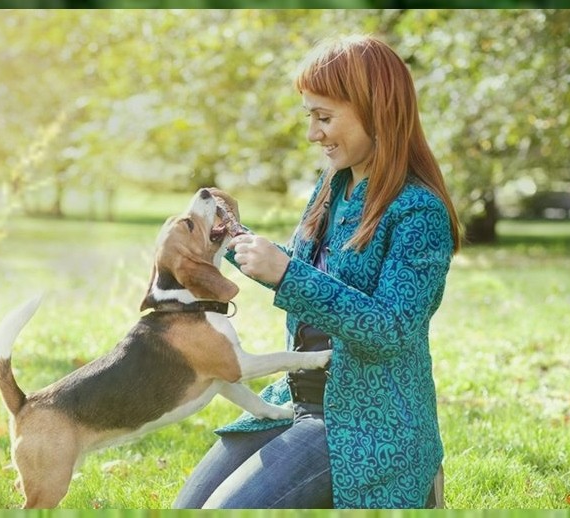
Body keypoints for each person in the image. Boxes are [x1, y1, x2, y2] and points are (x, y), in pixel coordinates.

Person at [173, 34, 461, 509]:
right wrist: (239, 241)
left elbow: (391, 328)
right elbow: (311, 272)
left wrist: (287, 274)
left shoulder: (418, 212)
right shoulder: (334, 185)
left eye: (324, 117)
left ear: (377, 111)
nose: (312, 133)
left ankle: (420, 481)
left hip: (365, 425)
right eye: (309, 116)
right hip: (296, 399)